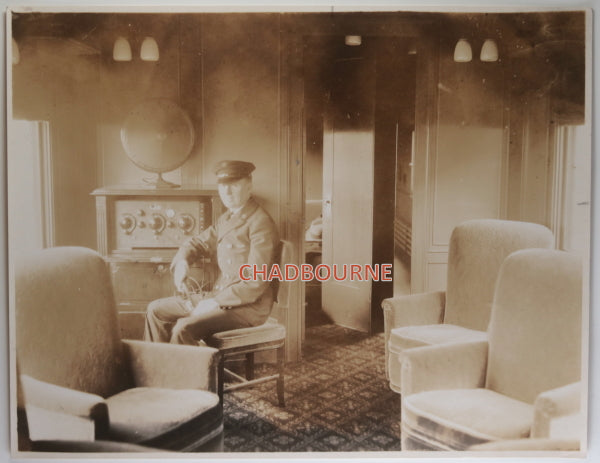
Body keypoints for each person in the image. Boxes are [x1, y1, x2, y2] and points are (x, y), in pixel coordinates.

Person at [144, 160, 280, 345]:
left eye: (234, 185)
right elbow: (198, 242)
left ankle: (186, 374)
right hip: (221, 297)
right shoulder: (227, 218)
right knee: (156, 310)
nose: (227, 192)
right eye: (223, 186)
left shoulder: (260, 223)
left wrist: (215, 302)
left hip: (247, 307)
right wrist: (182, 262)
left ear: (249, 187)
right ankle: (157, 370)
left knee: (183, 328)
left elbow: (256, 282)